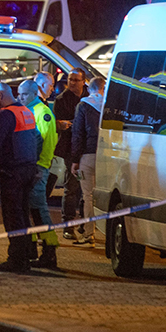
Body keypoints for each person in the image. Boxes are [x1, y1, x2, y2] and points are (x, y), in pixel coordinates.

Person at [0, 82, 42, 273]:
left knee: (13, 217)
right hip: (28, 168)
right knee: (23, 214)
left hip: (12, 172)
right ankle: (26, 256)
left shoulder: (6, 114)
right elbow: (36, 139)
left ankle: (16, 260)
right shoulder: (26, 111)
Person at [17, 80, 60, 268]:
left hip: (37, 169)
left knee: (39, 210)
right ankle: (32, 249)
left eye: (24, 94)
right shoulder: (30, 111)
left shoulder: (42, 113)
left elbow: (46, 142)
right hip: (31, 168)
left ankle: (50, 251)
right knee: (29, 209)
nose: (21, 98)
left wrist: (40, 167)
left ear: (35, 93)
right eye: (19, 94)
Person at [70, 77, 106, 247]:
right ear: (103, 89)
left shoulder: (83, 105)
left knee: (88, 195)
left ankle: (89, 233)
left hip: (88, 155)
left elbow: (77, 135)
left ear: (89, 89)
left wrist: (75, 160)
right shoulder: (109, 106)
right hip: (107, 156)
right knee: (104, 195)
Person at [53, 68, 88, 240]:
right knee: (72, 187)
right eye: (70, 79)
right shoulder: (61, 100)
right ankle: (67, 225)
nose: (72, 83)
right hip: (70, 148)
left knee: (87, 189)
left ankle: (85, 225)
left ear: (84, 81)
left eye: (75, 80)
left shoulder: (90, 97)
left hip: (88, 148)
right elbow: (60, 123)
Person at [35, 71, 61, 199]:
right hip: (40, 160)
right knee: (38, 202)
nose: (53, 89)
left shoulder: (41, 103)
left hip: (42, 158)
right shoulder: (39, 105)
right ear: (43, 84)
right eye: (51, 85)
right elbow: (42, 133)